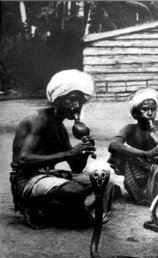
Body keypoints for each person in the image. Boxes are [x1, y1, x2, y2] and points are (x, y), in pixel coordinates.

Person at [10, 69, 113, 229]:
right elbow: (24, 160)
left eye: (80, 101)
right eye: (71, 100)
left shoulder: (60, 127)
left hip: (48, 174)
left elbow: (76, 167)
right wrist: (70, 153)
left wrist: (84, 152)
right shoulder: (39, 119)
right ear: (57, 99)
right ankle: (30, 204)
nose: (77, 106)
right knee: (75, 191)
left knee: (106, 181)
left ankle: (56, 209)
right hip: (26, 179)